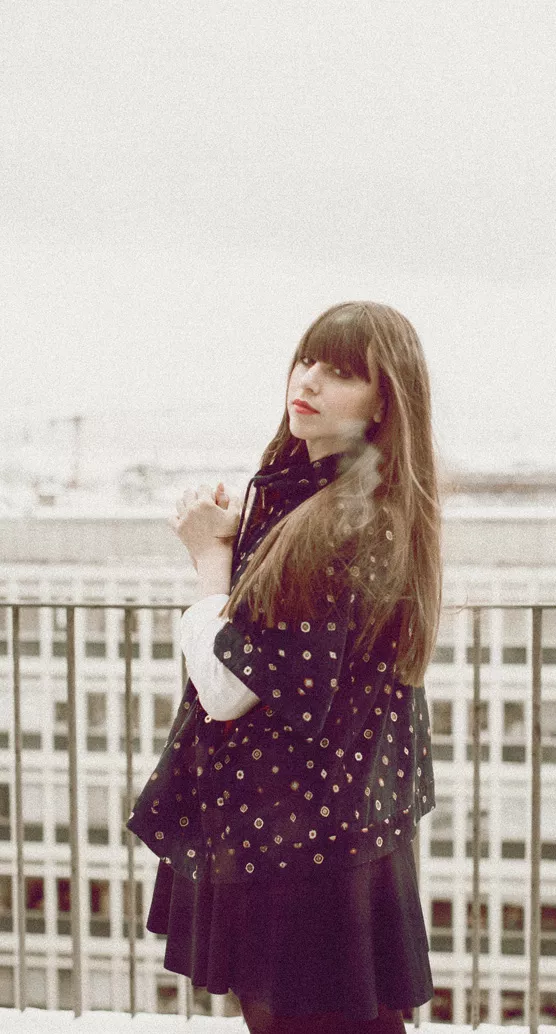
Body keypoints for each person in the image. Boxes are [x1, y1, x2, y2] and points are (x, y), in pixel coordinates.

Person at [127, 301, 442, 1033]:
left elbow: (229, 689)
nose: (309, 381)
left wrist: (209, 559)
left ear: (384, 402)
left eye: (341, 372)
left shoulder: (337, 519)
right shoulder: (351, 498)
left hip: (294, 841)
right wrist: (239, 537)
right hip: (336, 824)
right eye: (307, 360)